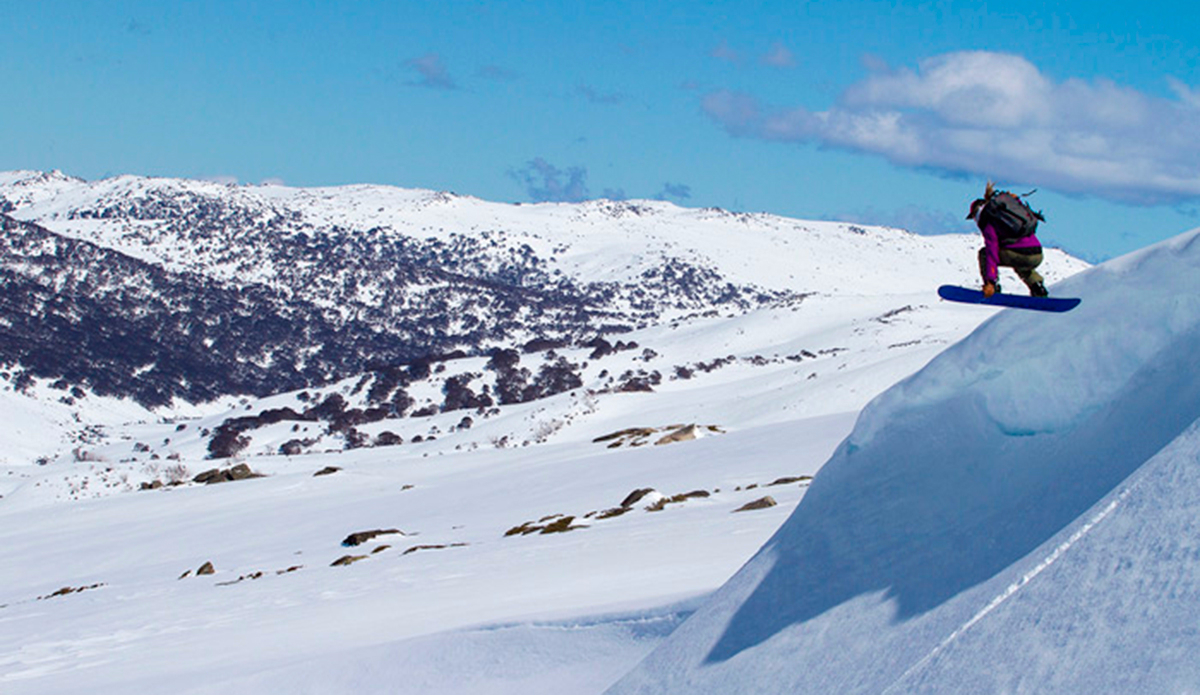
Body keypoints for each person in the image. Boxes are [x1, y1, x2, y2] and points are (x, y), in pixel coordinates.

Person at [967, 182, 1048, 298]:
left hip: (1021, 255)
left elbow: (991, 252)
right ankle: (1038, 287)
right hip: (1037, 254)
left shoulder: (989, 220)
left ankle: (993, 288)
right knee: (1019, 261)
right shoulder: (1008, 210)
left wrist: (991, 281)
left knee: (984, 253)